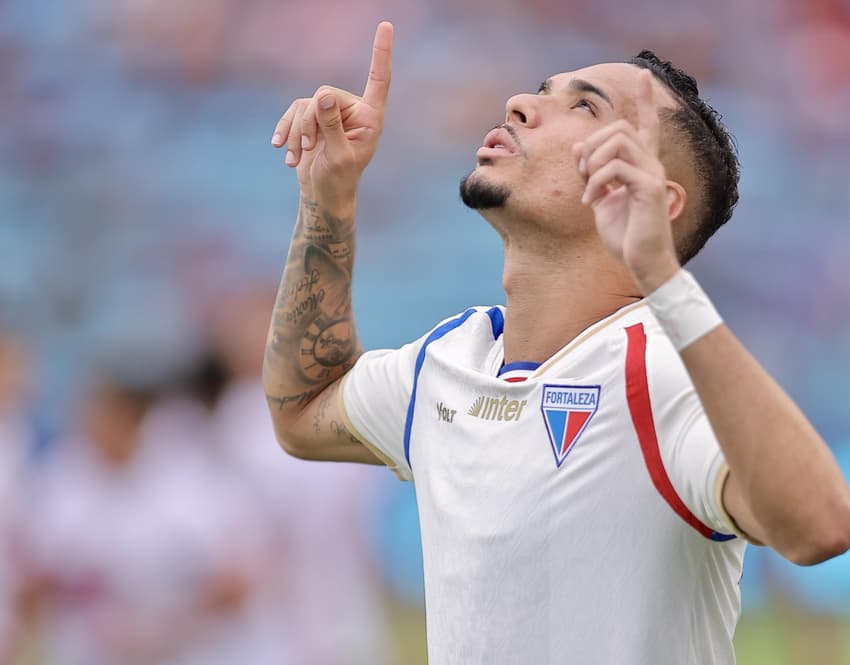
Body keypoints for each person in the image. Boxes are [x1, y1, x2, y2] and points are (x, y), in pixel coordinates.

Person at [263, 21, 850, 665]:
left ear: (655, 194)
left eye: (584, 105)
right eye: (543, 89)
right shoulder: (446, 359)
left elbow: (820, 527)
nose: (520, 102)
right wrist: (328, 197)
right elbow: (301, 412)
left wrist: (663, 277)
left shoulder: (664, 371)